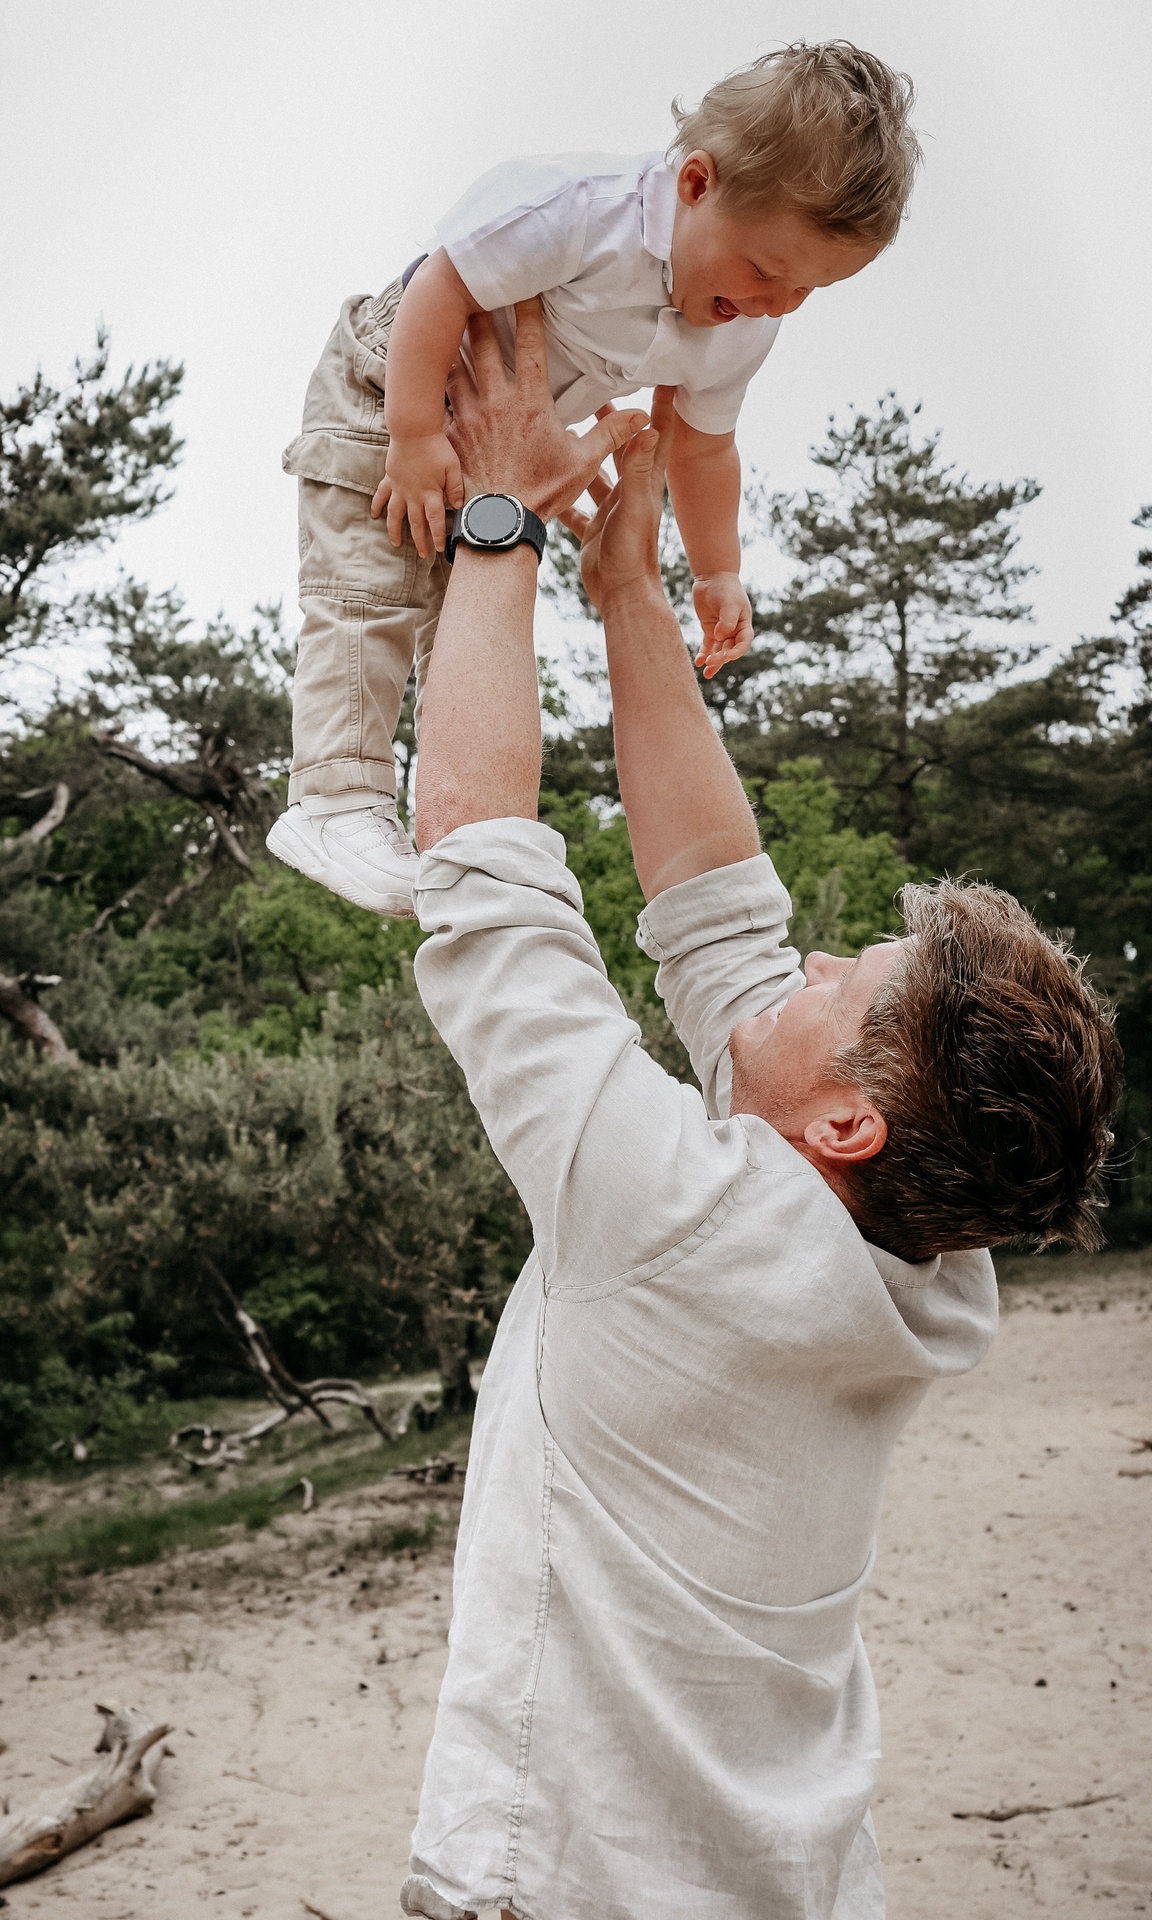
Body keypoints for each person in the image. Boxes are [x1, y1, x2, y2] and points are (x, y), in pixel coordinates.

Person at [395, 303, 1121, 1920]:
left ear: (848, 1121)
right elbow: (719, 914)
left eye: (834, 984)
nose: (798, 959)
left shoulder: (672, 1220)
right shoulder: (924, 1269)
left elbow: (476, 854)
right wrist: (632, 593)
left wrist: (501, 513)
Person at [267, 40, 919, 916]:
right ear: (696, 184)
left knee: (465, 617)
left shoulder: (738, 328)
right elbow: (439, 286)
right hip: (393, 385)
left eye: (805, 292)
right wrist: (414, 436)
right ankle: (334, 797)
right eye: (766, 271)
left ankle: (444, 828)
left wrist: (717, 569)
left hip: (498, 443)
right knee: (372, 585)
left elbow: (703, 447)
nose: (775, 306)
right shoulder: (577, 213)